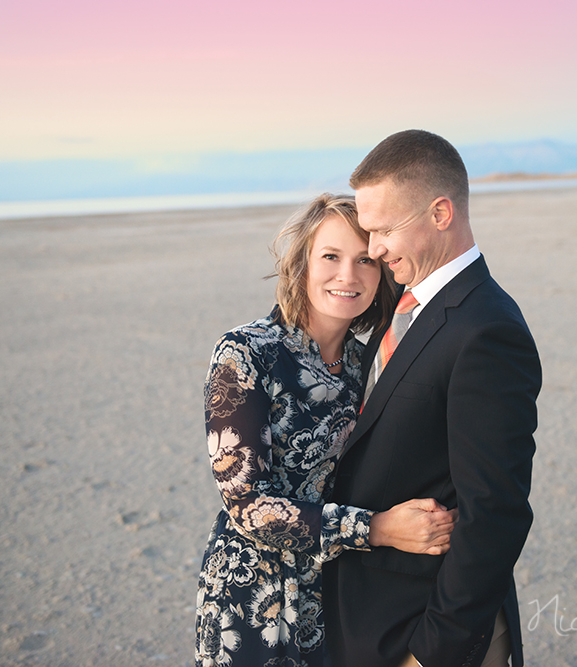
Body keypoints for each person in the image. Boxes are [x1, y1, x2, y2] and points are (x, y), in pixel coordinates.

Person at [195, 194, 458, 667]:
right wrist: (376, 529)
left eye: (364, 261)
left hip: (342, 595)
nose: (348, 276)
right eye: (331, 257)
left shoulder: (370, 365)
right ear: (302, 264)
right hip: (255, 598)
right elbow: (247, 504)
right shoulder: (246, 353)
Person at [322, 130, 543, 667]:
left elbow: (495, 512)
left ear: (440, 213)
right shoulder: (402, 299)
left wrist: (432, 654)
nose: (372, 250)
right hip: (365, 621)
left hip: (423, 632)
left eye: (383, 231)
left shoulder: (487, 330)